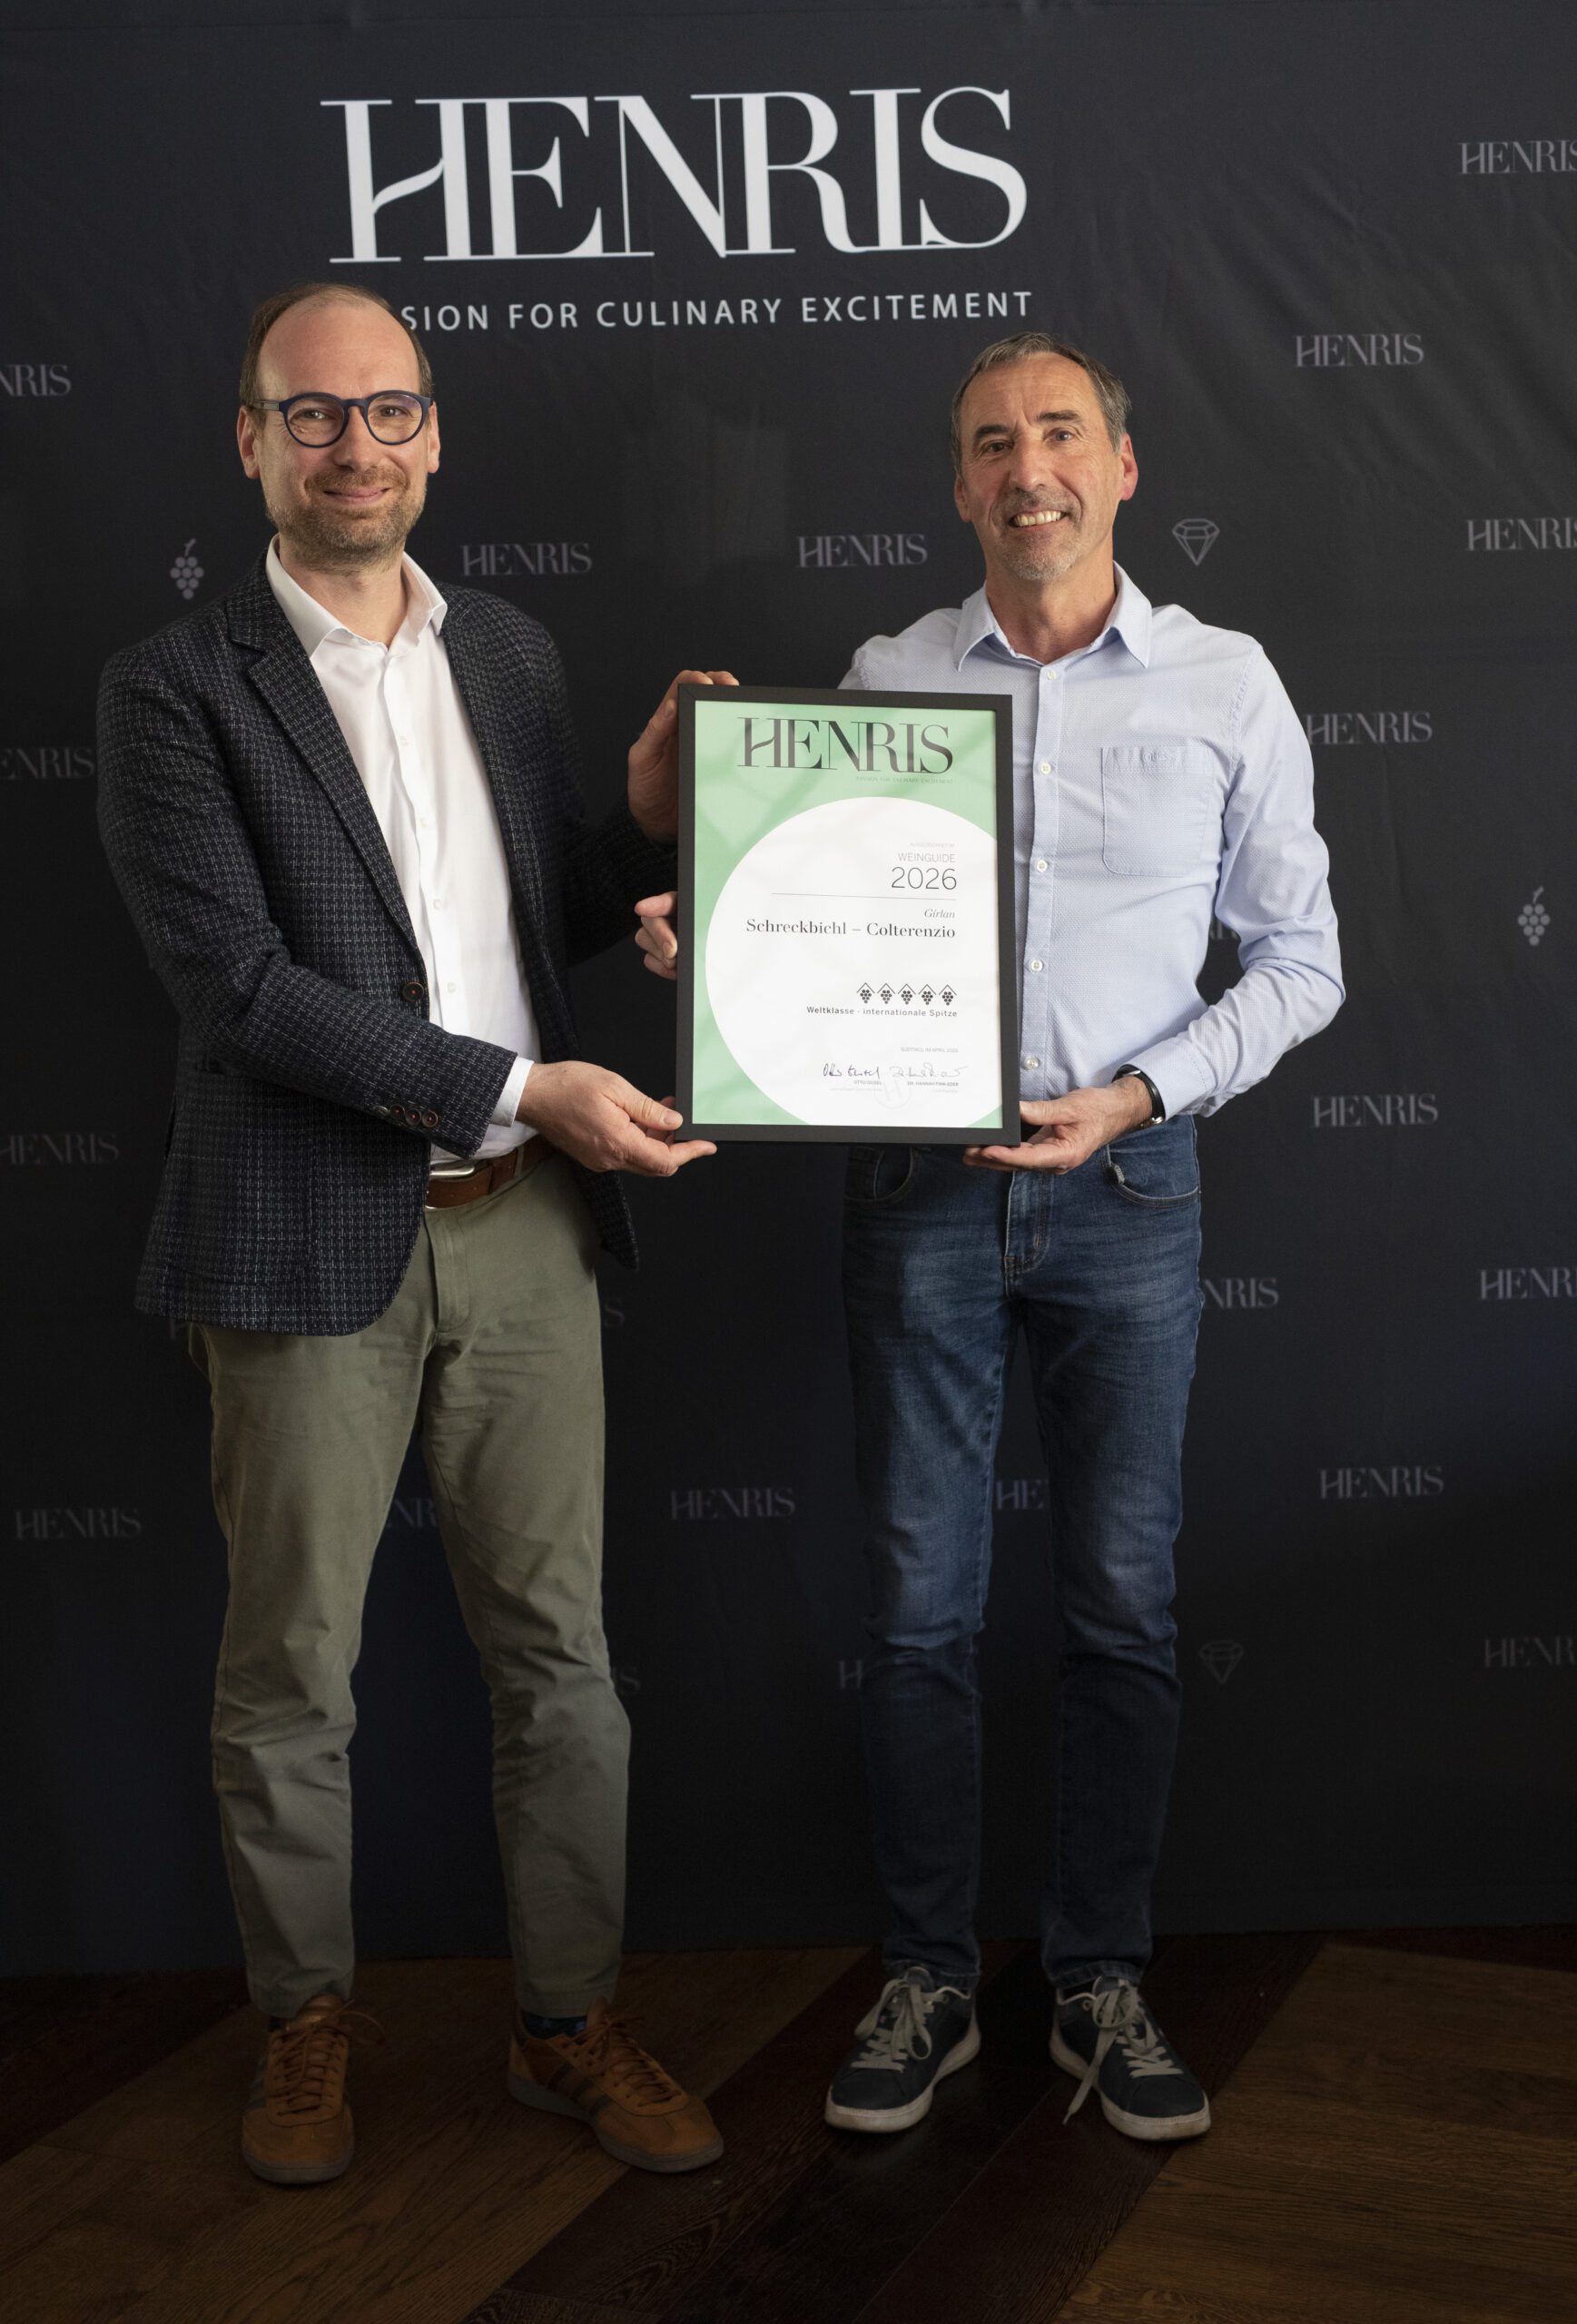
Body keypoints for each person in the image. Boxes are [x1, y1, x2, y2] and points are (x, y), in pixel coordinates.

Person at [636, 331, 1342, 2143]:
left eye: (1059, 434)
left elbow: (1300, 965)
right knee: (915, 1610)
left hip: (1127, 1189)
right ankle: (928, 1975)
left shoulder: (1225, 682)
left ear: (1120, 464)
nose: (1028, 469)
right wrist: (711, 948)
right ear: (957, 486)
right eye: (991, 444)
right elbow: (802, 913)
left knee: (1121, 1603)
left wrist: (1137, 1094)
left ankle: (1098, 1976)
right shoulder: (888, 679)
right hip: (917, 1193)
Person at [98, 281, 731, 2186]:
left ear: (433, 433)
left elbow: (536, 907)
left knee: (563, 1660)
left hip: (527, 1228)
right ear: (251, 442)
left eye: (385, 410)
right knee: (293, 1670)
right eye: (310, 415)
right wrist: (528, 1084)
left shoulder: (509, 652)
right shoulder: (173, 687)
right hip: (303, 1231)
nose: (352, 446)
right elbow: (243, 991)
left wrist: (645, 828)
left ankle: (568, 2021)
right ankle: (303, 2022)